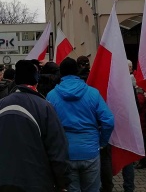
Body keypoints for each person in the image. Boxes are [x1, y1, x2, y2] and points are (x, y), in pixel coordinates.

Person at [0, 60, 70, 192]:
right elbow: (57, 149)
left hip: (0, 182)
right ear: (36, 81)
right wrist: (62, 182)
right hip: (36, 183)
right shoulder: (44, 106)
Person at [46, 57, 114, 192]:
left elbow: (48, 126)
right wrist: (102, 142)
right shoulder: (93, 93)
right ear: (77, 71)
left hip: (66, 151)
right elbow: (108, 121)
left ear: (61, 73)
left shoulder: (51, 95)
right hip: (90, 150)